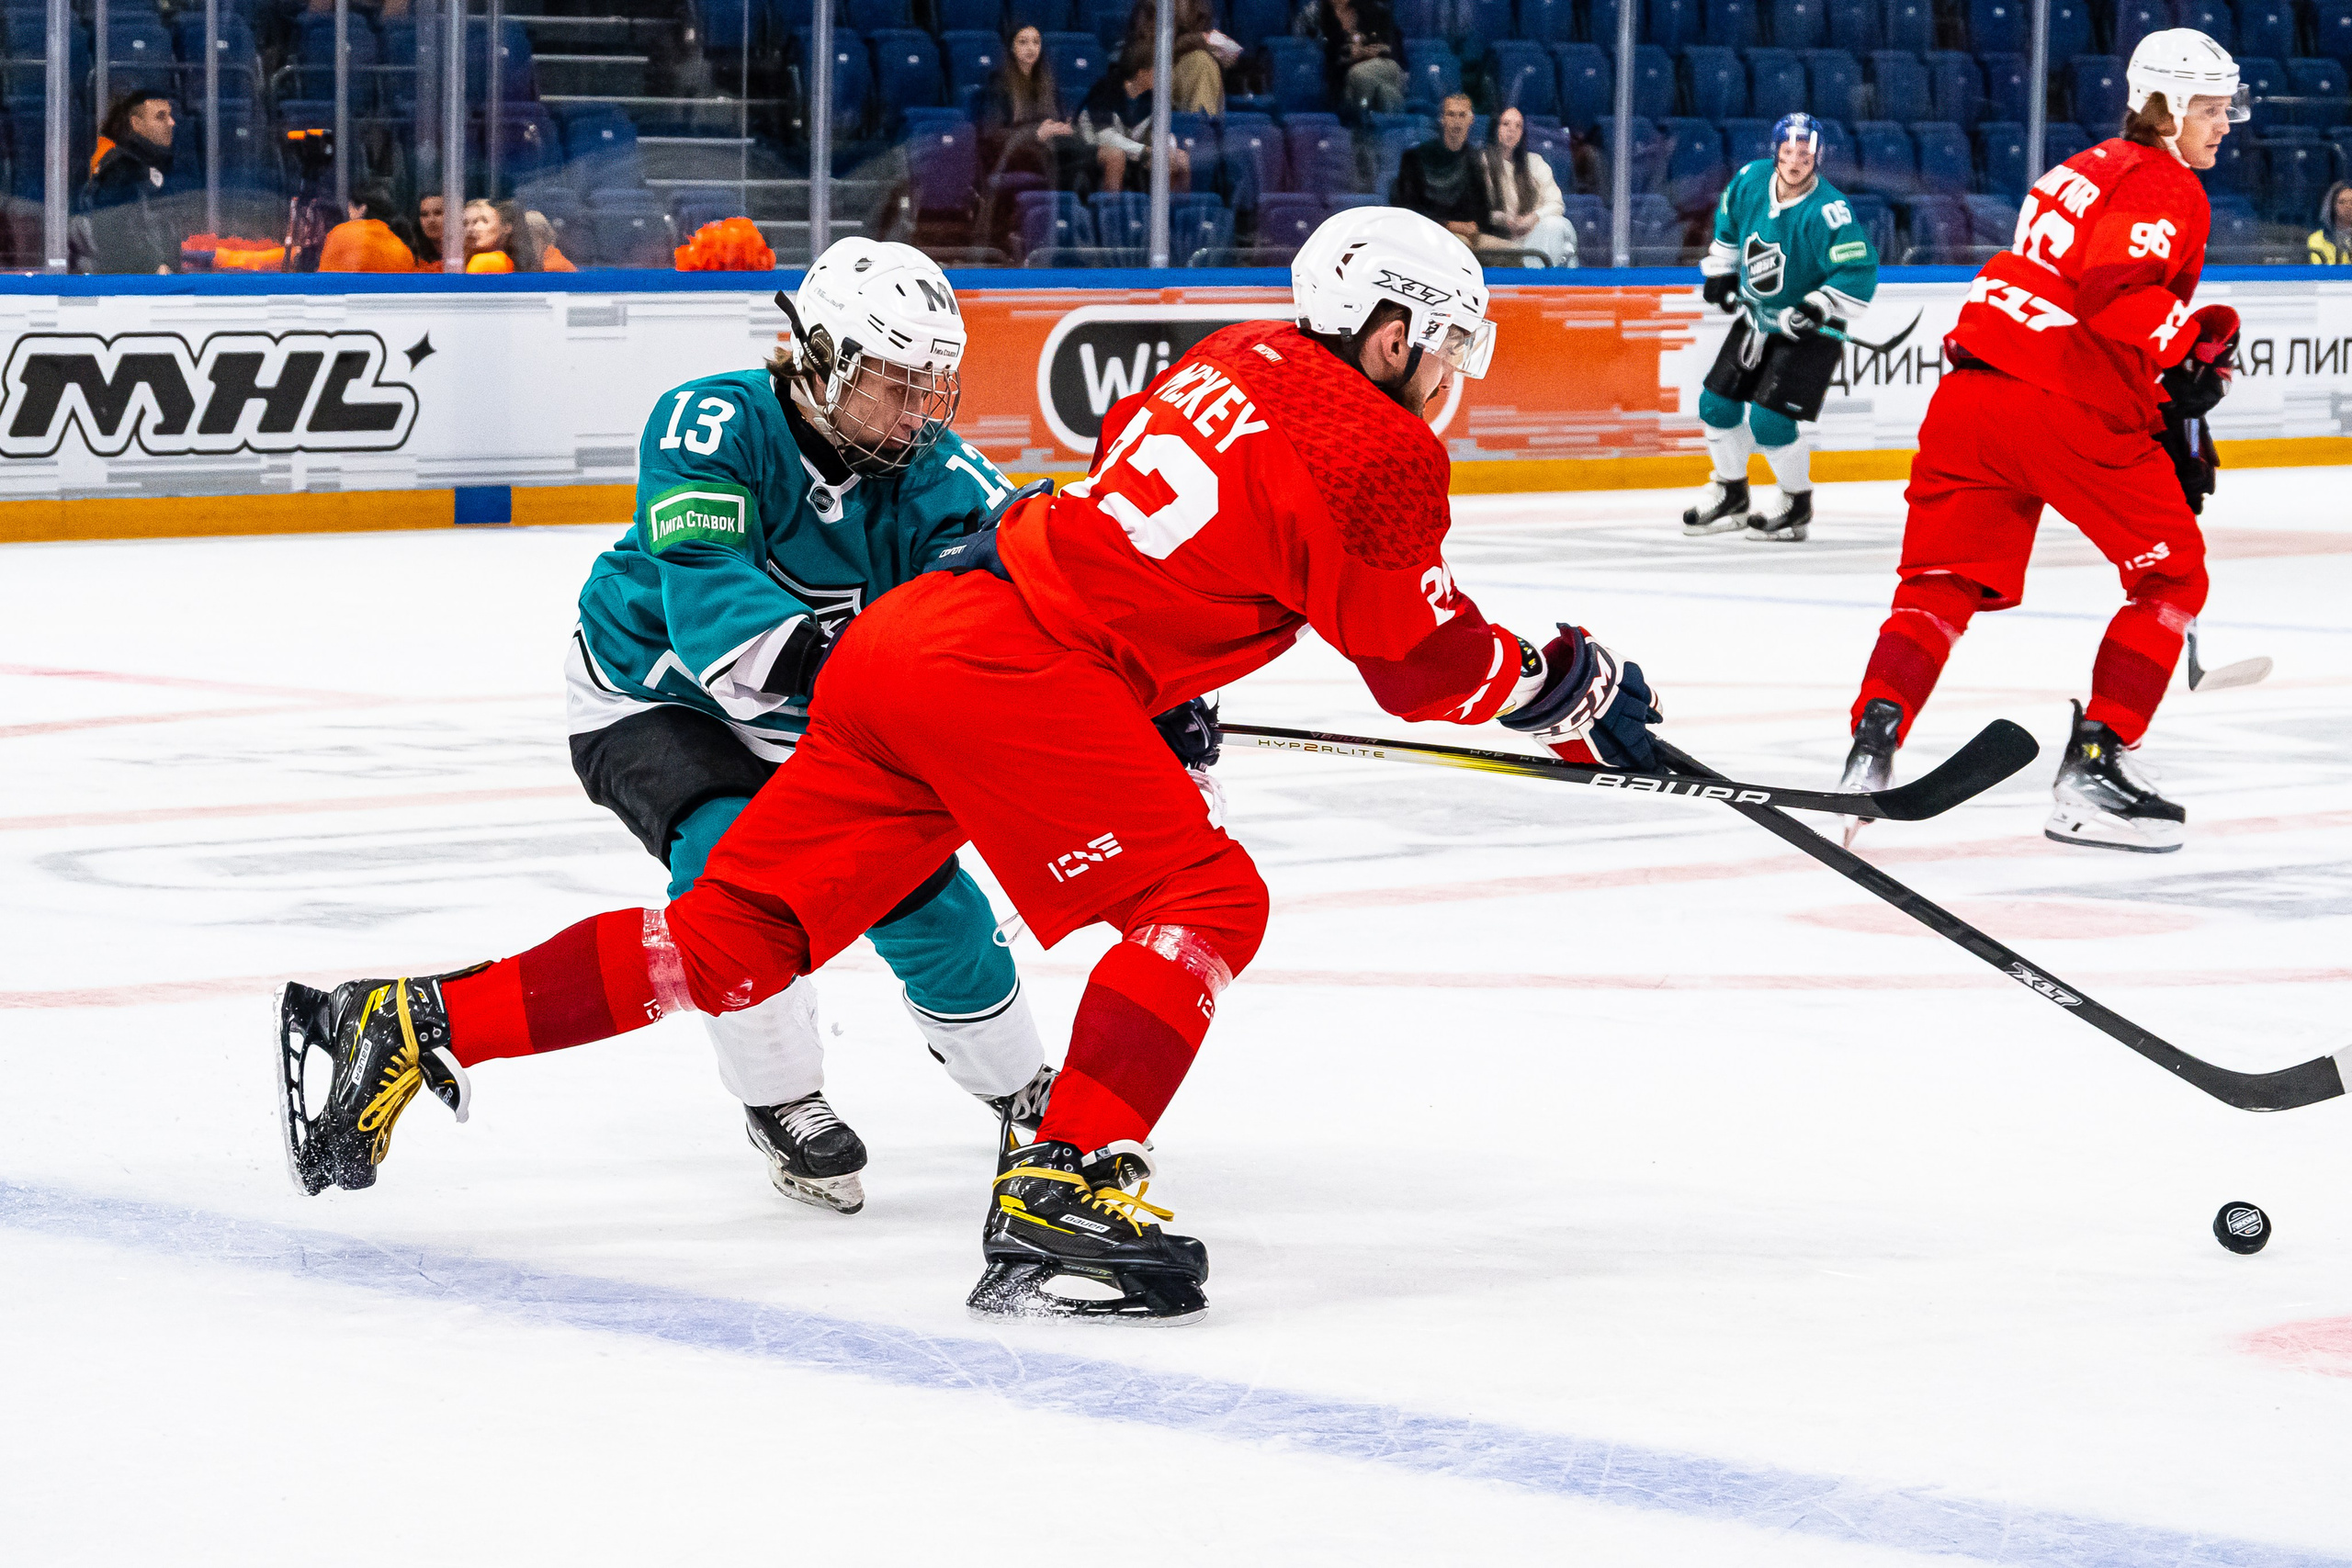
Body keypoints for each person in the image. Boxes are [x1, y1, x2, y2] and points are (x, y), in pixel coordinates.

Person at [270, 207, 1667, 1323]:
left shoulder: (1232, 356)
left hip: (916, 643)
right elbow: (1423, 665)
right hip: (1008, 677)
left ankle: (409, 1017)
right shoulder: (1378, 448)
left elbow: (1141, 527)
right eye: (1444, 348)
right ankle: (1069, 1175)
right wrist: (1572, 680)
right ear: (1389, 330)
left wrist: (1165, 689)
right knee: (1209, 898)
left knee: (736, 938)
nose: (1448, 380)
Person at [282, 239, 1054, 1217]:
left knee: (929, 902)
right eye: (895, 385)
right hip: (657, 694)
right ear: (821, 359)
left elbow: (1028, 584)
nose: (918, 414)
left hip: (821, 715)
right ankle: (781, 1095)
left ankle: (1025, 1091)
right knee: (731, 879)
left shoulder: (937, 471)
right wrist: (905, 686)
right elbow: (723, 633)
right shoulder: (711, 422)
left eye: (930, 387)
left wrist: (1124, 679)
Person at [1838, 29, 2244, 855]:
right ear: (2166, 109)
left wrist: (2160, 394)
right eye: (2210, 108)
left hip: (1972, 395)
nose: (2224, 124)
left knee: (1940, 585)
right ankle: (2096, 767)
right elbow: (2112, 293)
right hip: (2062, 407)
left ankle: (1870, 745)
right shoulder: (2162, 180)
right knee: (2172, 577)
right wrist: (2187, 350)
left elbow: (2067, 285)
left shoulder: (2077, 169)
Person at [1678, 112, 1878, 544]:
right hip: (1757, 320)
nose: (1794, 162)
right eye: (1788, 152)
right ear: (1775, 152)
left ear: (1818, 158)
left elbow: (1857, 270)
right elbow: (1729, 230)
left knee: (1769, 420)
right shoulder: (1750, 180)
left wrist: (1819, 306)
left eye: (1804, 154)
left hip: (1809, 332)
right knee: (1716, 405)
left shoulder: (1830, 211)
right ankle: (1731, 493)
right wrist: (1722, 273)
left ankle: (1795, 501)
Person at [83, 91, 181, 275]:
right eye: (160, 117)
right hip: (132, 283)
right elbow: (112, 227)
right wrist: (153, 266)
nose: (171, 122)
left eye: (170, 115)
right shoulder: (120, 167)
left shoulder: (156, 163)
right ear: (137, 123)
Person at [979, 25, 1086, 196]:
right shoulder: (999, 83)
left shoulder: (1047, 81)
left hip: (1050, 143)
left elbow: (1059, 117)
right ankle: (1053, 205)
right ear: (1012, 48)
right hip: (1015, 151)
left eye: (1036, 42)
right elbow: (993, 133)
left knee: (1082, 149)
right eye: (1023, 42)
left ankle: (1073, 205)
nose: (1031, 48)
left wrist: (1063, 127)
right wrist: (1036, 134)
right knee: (1052, 152)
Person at [1078, 51, 1190, 196]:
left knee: (1180, 159)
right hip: (1091, 150)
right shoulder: (1106, 88)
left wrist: (1168, 150)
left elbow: (1157, 134)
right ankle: (1111, 208)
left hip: (1134, 152)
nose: (1168, 77)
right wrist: (1145, 151)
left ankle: (1170, 209)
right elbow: (1105, 136)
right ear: (1142, 73)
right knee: (1116, 155)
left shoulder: (1153, 98)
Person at [1478, 107, 1575, 265]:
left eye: (1518, 126)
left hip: (1536, 235)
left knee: (1558, 225)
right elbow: (1477, 210)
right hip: (1499, 237)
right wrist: (1504, 220)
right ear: (1495, 128)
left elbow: (1556, 204)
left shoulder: (1535, 162)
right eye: (1506, 124)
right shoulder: (1481, 163)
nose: (1512, 130)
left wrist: (1533, 218)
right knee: (1560, 232)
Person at [1389, 95, 1490, 245]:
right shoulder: (1415, 157)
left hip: (1471, 236)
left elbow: (1483, 211)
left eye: (1462, 115)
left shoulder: (1475, 159)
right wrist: (1450, 225)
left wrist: (1474, 226)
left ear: (1471, 119)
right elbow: (1409, 210)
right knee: (1462, 245)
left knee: (1513, 251)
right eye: (1451, 114)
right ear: (1442, 119)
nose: (1457, 121)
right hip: (1429, 235)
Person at [1123, 0, 1228, 113]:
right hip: (1151, 76)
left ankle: (1203, 120)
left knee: (1205, 63)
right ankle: (1199, 122)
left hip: (1186, 75)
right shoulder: (1154, 4)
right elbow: (1138, 56)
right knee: (1201, 62)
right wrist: (1196, 40)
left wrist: (1222, 53)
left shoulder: (1201, 6)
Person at [1317, 0, 1404, 116]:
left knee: (1384, 82)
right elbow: (1317, 55)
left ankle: (1369, 118)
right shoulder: (1315, 15)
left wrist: (1377, 51)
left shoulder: (1374, 11)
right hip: (1345, 82)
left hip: (1379, 67)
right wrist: (1351, 57)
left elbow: (1392, 47)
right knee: (1381, 88)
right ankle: (1388, 120)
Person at [317, 185, 418, 272]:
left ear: (362, 209)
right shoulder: (402, 249)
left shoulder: (340, 234)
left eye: (350, 208)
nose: (349, 214)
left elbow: (325, 281)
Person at [462, 197, 578, 271]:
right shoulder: (514, 262)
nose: (471, 229)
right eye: (465, 223)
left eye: (484, 221)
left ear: (506, 227)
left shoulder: (485, 262)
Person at [2306, 180, 2352, 263]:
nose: (2348, 207)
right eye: (2342, 202)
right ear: (2332, 206)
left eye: (2351, 202)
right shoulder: (2317, 239)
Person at [414, 193, 447, 267]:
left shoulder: (463, 254)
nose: (431, 220)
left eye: (438, 213)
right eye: (424, 214)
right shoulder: (414, 257)